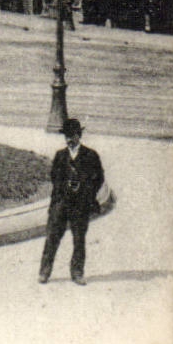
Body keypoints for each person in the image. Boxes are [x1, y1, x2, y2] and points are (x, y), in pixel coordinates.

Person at [39, 118, 105, 286]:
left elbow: (98, 178)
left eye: (72, 135)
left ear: (79, 135)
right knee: (52, 237)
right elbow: (54, 177)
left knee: (79, 239)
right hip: (61, 203)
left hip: (81, 205)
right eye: (66, 136)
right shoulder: (60, 156)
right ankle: (44, 271)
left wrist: (84, 189)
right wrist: (65, 187)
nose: (69, 139)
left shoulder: (90, 155)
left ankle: (77, 272)